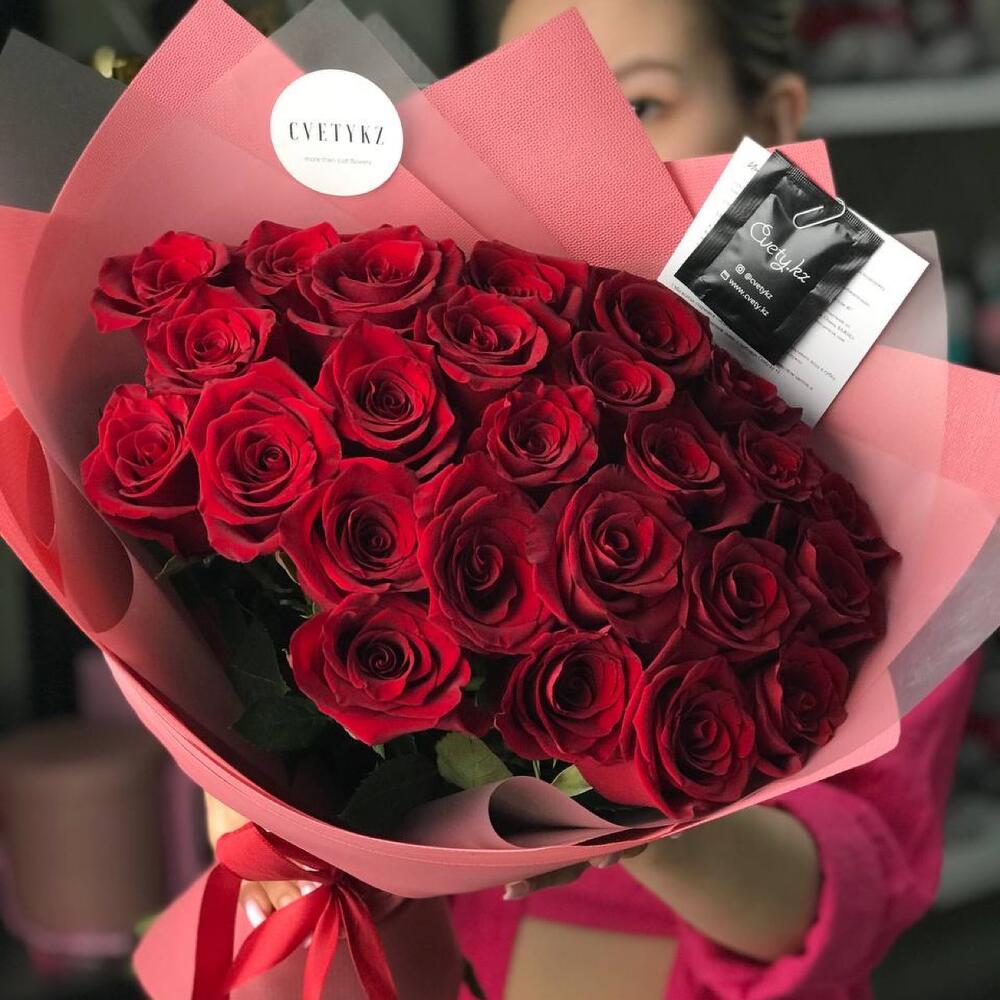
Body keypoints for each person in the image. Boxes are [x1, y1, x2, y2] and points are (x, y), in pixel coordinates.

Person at [206, 2, 981, 996]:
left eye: (640, 103)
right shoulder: (427, 360)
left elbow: (859, 881)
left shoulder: (895, 461)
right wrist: (250, 770)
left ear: (775, 117)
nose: (583, 154)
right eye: (526, 109)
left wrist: (619, 804)